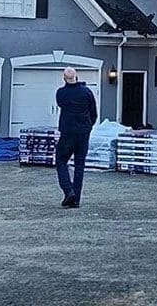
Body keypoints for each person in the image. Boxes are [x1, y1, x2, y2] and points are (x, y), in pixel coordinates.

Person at [55, 67, 97, 208]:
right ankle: (76, 199)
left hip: (67, 132)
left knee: (61, 160)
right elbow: (93, 112)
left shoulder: (61, 93)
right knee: (79, 165)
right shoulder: (86, 92)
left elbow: (61, 105)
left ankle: (68, 191)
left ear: (64, 78)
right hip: (83, 133)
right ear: (77, 76)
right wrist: (88, 126)